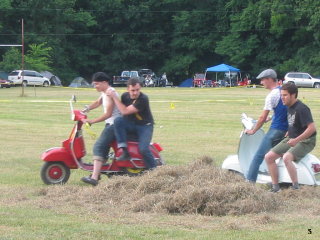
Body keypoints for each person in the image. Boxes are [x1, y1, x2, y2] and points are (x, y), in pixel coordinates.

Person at [265, 83, 317, 192]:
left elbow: (311, 128)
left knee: (287, 157)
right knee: (269, 157)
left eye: (285, 95)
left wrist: (296, 140)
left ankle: (296, 187)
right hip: (292, 137)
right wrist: (290, 131)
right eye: (281, 95)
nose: (282, 98)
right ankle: (276, 187)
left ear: (293, 95)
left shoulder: (302, 108)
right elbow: (294, 122)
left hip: (306, 140)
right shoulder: (288, 106)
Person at [245, 69, 288, 183]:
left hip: (276, 130)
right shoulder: (282, 91)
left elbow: (262, 117)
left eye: (263, 80)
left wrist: (253, 130)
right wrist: (271, 118)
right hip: (286, 130)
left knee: (258, 156)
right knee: (277, 156)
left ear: (269, 79)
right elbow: (282, 111)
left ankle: (249, 182)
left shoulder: (271, 95)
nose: (261, 83)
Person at [107, 77, 157, 170]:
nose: (135, 93)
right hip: (132, 124)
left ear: (140, 88)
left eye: (137, 90)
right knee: (118, 121)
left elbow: (124, 111)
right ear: (127, 89)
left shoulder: (143, 99)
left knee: (143, 149)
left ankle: (155, 171)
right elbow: (120, 110)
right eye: (132, 90)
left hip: (145, 126)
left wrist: (114, 97)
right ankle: (124, 151)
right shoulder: (125, 96)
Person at [81, 72, 121, 186]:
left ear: (104, 82)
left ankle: (94, 177)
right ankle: (96, 173)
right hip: (111, 124)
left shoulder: (109, 93)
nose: (95, 87)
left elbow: (108, 114)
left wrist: (92, 121)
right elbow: (98, 102)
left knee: (99, 146)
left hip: (114, 124)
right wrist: (86, 109)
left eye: (97, 84)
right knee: (103, 148)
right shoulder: (105, 92)